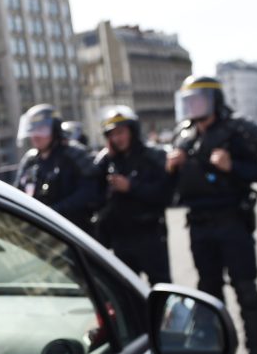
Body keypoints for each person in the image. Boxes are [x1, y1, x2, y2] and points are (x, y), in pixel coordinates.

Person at [167, 75, 257, 354]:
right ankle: (216, 352)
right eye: (188, 101)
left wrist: (233, 167)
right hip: (199, 226)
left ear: (214, 100)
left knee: (247, 292)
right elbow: (172, 189)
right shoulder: (183, 136)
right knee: (209, 294)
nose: (192, 106)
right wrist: (171, 168)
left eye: (198, 99)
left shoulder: (238, 130)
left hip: (232, 222)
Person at [93, 105, 172, 284]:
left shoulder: (153, 156)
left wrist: (131, 187)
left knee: (162, 290)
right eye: (112, 134)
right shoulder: (107, 161)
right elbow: (93, 193)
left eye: (121, 132)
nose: (117, 138)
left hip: (150, 234)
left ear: (132, 131)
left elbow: (165, 195)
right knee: (125, 293)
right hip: (120, 238)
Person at [14, 104, 104, 234]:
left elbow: (89, 192)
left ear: (55, 130)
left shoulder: (74, 154)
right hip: (42, 232)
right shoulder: (30, 160)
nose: (35, 136)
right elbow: (18, 194)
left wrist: (55, 210)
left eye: (41, 130)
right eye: (32, 130)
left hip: (75, 232)